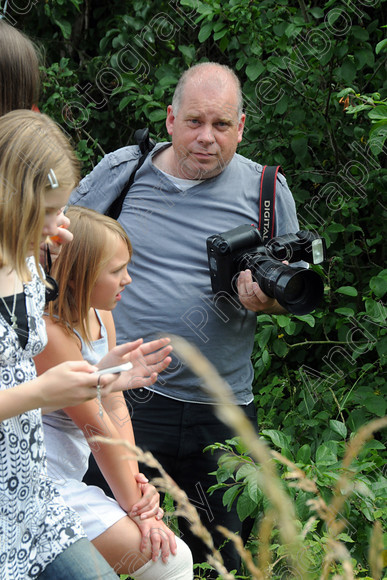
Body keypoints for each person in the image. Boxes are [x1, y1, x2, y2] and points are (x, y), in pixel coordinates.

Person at [69, 62, 303, 575]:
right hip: (123, 398)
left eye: (221, 126)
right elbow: (56, 246)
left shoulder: (267, 191)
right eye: (194, 122)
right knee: (96, 550)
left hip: (219, 410)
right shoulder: (124, 172)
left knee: (222, 557)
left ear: (241, 128)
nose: (206, 138)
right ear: (170, 118)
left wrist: (271, 300)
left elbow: (296, 285)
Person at [35, 206, 193, 579]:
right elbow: (95, 427)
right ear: (79, 275)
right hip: (40, 482)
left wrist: (136, 481)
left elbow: (113, 400)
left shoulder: (100, 314)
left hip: (67, 476)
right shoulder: (51, 334)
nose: (128, 279)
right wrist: (141, 511)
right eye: (116, 270)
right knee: (169, 561)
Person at [0, 110, 123, 579]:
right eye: (49, 210)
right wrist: (42, 393)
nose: (62, 223)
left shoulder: (29, 261)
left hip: (30, 499)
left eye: (63, 207)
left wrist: (104, 370)